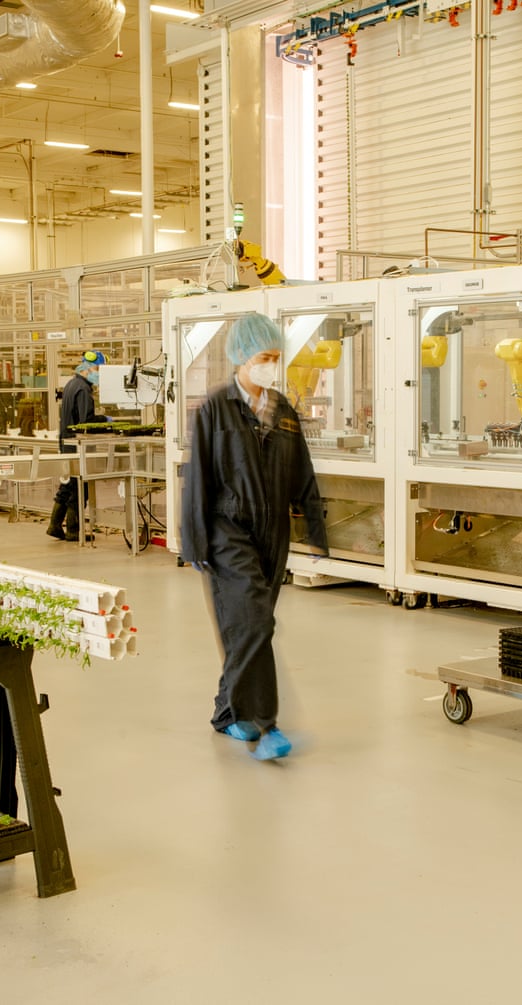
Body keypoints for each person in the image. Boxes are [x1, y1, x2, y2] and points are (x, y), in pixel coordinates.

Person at [181, 313, 328, 761]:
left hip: (272, 532)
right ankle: (265, 723)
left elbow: (302, 470)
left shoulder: (281, 409)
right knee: (254, 621)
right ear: (242, 357)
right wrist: (196, 542)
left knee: (249, 626)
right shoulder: (215, 408)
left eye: (276, 358)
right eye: (264, 357)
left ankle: (228, 712)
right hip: (228, 529)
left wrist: (315, 527)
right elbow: (199, 478)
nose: (271, 366)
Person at [47, 349, 111, 541]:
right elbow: (86, 421)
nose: (99, 374)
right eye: (99, 369)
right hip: (77, 444)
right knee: (78, 487)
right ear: (89, 368)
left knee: (67, 484)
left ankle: (55, 525)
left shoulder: (71, 384)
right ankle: (74, 530)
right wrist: (105, 420)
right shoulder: (83, 389)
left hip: (66, 442)